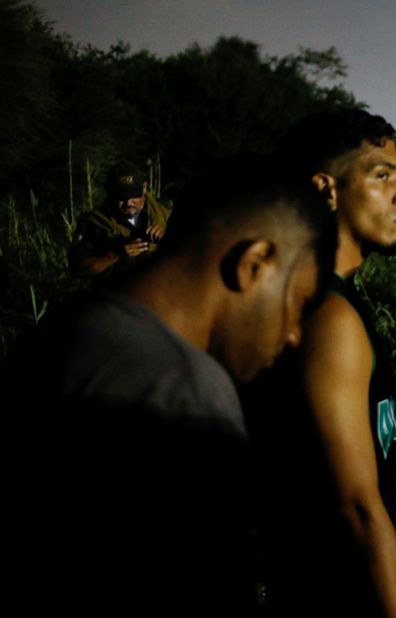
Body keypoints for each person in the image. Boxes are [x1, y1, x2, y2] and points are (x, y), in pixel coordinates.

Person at [5, 155, 336, 614]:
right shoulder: (187, 392)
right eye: (298, 301)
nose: (295, 333)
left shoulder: (59, 334)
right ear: (254, 264)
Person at [241, 108, 396, 617]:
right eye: (382, 175)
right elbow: (357, 510)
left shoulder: (332, 300)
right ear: (325, 189)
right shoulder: (329, 317)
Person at [69, 160, 173, 280]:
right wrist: (115, 254)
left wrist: (169, 236)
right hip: (117, 293)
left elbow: (195, 252)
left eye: (133, 194)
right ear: (110, 194)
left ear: (144, 187)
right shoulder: (94, 223)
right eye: (121, 197)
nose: (128, 203)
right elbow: (77, 268)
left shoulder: (166, 212)